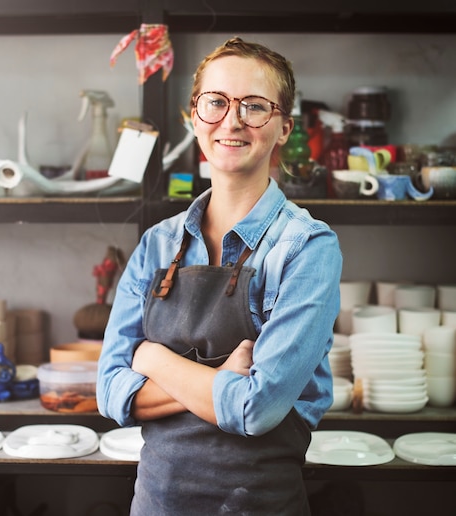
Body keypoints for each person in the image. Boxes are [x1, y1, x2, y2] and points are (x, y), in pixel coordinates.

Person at [97, 37, 342, 515]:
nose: (232, 121)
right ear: (194, 118)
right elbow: (109, 392)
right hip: (157, 503)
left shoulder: (307, 247)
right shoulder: (157, 245)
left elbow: (257, 409)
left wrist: (152, 358)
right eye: (216, 102)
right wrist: (219, 379)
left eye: (254, 106)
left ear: (284, 128)